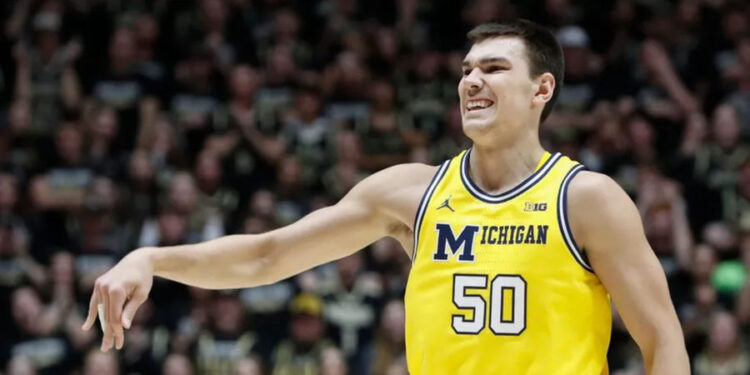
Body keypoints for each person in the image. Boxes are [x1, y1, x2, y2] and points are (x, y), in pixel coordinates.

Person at [82, 20, 689, 374]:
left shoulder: (586, 197)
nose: (472, 80)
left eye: (495, 68)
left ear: (542, 88)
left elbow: (661, 340)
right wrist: (153, 259)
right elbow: (267, 256)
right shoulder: (412, 192)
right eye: (467, 69)